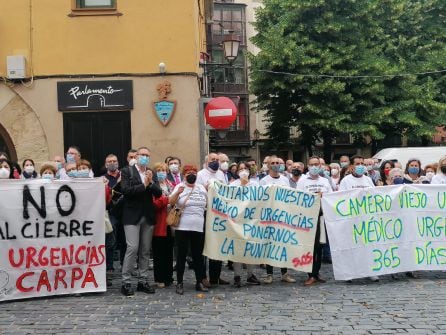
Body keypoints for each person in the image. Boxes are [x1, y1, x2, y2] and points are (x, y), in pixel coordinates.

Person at [120, 146, 162, 296]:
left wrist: (150, 183)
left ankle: (142, 281)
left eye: (147, 155)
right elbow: (126, 191)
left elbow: (158, 193)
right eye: (142, 154)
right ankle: (126, 281)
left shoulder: (151, 172)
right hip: (131, 215)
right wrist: (143, 185)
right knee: (132, 248)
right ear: (136, 156)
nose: (144, 157)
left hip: (148, 216)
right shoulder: (127, 171)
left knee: (145, 250)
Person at [169, 165, 208, 295]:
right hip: (183, 227)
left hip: (198, 227)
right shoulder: (179, 186)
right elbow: (171, 202)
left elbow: (207, 204)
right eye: (188, 173)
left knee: (198, 256)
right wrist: (178, 193)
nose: (191, 174)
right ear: (184, 175)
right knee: (181, 255)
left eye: (193, 172)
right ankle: (179, 282)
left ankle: (199, 281)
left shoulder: (201, 188)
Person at [296, 156, 332, 286]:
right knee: (310, 247)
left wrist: (323, 196)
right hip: (308, 217)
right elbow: (298, 198)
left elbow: (331, 197)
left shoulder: (324, 181)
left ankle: (317, 273)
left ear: (320, 166)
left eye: (317, 164)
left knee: (320, 247)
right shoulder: (303, 181)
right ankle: (311, 274)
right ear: (308, 166)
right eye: (312, 164)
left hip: (322, 216)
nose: (314, 166)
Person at [259, 155, 295, 284]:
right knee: (270, 245)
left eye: (278, 163)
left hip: (283, 217)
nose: (275, 164)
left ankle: (285, 273)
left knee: (283, 245)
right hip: (269, 218)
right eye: (273, 163)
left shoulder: (286, 180)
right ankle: (269, 274)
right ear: (268, 165)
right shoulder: (264, 181)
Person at [196, 152, 229, 287]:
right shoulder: (201, 174)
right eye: (212, 159)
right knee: (203, 245)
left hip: (218, 213)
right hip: (205, 212)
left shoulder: (221, 174)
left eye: (217, 159)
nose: (215, 161)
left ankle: (216, 276)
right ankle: (203, 276)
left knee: (217, 243)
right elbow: (197, 192)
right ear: (207, 161)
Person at [229, 162, 261, 287]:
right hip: (237, 221)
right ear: (237, 172)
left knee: (250, 247)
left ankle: (250, 274)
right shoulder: (233, 185)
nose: (243, 171)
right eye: (240, 169)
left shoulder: (255, 185)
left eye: (245, 169)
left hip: (251, 220)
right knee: (238, 247)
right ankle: (237, 275)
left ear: (249, 170)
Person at [152, 162, 174, 288]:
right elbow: (154, 204)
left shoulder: (170, 184)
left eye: (164, 170)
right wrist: (167, 199)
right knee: (159, 252)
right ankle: (159, 278)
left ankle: (168, 277)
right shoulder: (154, 187)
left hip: (170, 222)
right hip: (159, 222)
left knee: (169, 251)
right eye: (159, 170)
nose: (162, 172)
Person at [103, 154, 121, 276]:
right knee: (110, 238)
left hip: (126, 211)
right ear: (106, 164)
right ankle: (109, 266)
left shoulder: (125, 175)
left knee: (125, 241)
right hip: (111, 212)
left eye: (114, 161)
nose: (112, 163)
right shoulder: (103, 178)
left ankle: (125, 265)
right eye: (109, 161)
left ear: (118, 163)